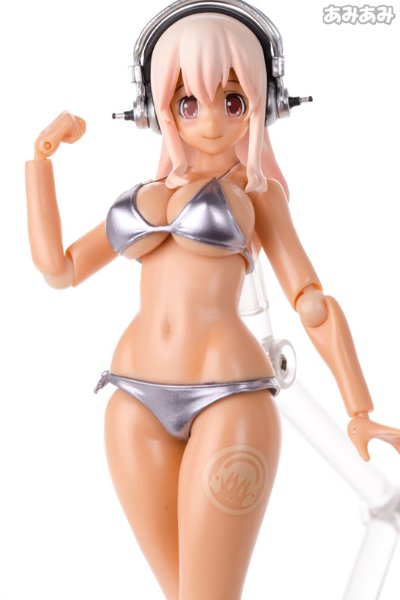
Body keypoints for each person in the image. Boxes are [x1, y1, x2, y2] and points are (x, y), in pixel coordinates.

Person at [25, 6, 400, 600]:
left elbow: (311, 301)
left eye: (232, 100)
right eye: (187, 102)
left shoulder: (257, 193)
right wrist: (40, 162)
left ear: (261, 103)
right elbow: (60, 269)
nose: (209, 120)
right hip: (131, 400)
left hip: (229, 399)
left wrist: (359, 408)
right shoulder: (146, 192)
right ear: (158, 106)